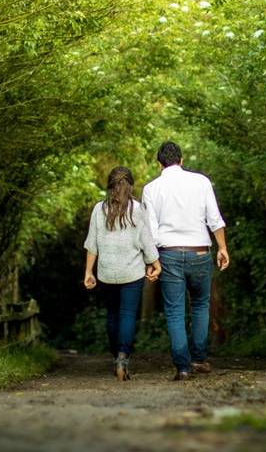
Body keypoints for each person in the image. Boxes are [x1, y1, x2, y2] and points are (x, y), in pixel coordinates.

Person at [142, 141, 229, 381]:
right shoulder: (201, 182)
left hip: (168, 254)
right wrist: (222, 247)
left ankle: (182, 367)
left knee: (174, 311)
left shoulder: (151, 188)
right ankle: (199, 359)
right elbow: (215, 219)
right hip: (200, 251)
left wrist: (152, 261)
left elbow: (150, 230)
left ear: (159, 164)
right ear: (181, 160)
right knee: (201, 305)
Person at [83, 166, 161, 381]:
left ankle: (114, 354)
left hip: (107, 272)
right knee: (127, 314)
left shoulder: (99, 209)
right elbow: (146, 240)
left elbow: (92, 244)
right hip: (132, 272)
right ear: (131, 184)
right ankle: (122, 357)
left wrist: (89, 272)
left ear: (109, 186)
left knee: (112, 314)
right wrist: (155, 263)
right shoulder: (137, 208)